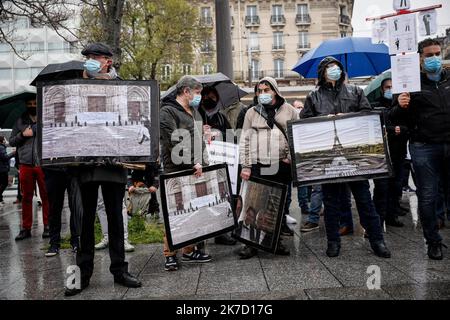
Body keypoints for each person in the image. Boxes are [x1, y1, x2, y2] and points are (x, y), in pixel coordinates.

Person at [65, 42, 142, 296]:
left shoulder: (123, 88)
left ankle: (119, 270)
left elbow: (132, 120)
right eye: (87, 56)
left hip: (114, 163)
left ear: (109, 61)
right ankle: (82, 274)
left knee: (115, 218)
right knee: (85, 220)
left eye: (95, 57)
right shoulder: (74, 88)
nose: (89, 60)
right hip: (85, 164)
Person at [301, 56, 391, 258]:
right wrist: (324, 121)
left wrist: (347, 118)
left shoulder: (356, 91)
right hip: (328, 156)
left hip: (354, 157)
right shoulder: (313, 96)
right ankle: (333, 242)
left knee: (364, 201)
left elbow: (368, 115)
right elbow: (304, 122)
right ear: (322, 72)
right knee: (331, 203)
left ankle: (377, 240)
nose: (334, 70)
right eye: (330, 68)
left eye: (337, 67)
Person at [390, 38, 450, 260]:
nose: (434, 58)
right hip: (424, 147)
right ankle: (433, 241)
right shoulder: (409, 85)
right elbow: (393, 116)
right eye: (429, 55)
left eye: (437, 53)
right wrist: (401, 105)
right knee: (427, 196)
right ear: (420, 59)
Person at [239, 76, 297, 259]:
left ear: (275, 91)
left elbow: (296, 135)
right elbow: (245, 141)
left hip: (280, 165)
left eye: (266, 90)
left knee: (277, 205)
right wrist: (246, 166)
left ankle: (274, 240)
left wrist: (289, 157)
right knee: (254, 203)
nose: (262, 94)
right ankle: (251, 243)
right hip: (257, 164)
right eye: (260, 91)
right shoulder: (251, 112)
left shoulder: (290, 111)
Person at [160, 75, 212, 271]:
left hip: (197, 168)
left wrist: (204, 160)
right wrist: (193, 162)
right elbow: (173, 141)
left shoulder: (195, 112)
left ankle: (188, 250)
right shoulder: (167, 111)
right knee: (173, 211)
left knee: (193, 210)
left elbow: (196, 139)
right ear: (185, 91)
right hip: (177, 169)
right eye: (197, 93)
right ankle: (169, 254)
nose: (199, 97)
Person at [198, 86, 237, 246]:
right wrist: (200, 132)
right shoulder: (196, 115)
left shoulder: (221, 117)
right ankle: (200, 235)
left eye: (212, 96)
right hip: (201, 164)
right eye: (206, 96)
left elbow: (231, 139)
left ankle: (221, 233)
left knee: (221, 197)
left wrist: (218, 136)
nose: (209, 98)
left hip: (219, 163)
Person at [9, 96, 50, 240]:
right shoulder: (20, 120)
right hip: (25, 164)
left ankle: (47, 226)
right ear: (26, 105)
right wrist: (22, 134)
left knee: (46, 195)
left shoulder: (45, 119)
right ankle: (25, 228)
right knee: (26, 197)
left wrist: (37, 131)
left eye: (34, 103)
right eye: (29, 103)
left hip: (42, 163)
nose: (32, 105)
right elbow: (12, 141)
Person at [372, 78, 407, 228]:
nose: (390, 89)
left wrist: (399, 129)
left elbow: (407, 126)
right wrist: (393, 129)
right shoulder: (375, 105)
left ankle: (391, 216)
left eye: (393, 87)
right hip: (381, 155)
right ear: (382, 89)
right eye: (387, 87)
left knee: (395, 186)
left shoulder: (402, 105)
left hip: (398, 152)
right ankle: (377, 220)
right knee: (381, 188)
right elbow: (377, 125)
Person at [0, 136, 15, 206]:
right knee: (4, 183)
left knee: (1, 184)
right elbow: (5, 157)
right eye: (4, 139)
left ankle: (0, 199)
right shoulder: (1, 147)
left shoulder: (2, 147)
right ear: (2, 141)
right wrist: (13, 153)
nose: (5, 140)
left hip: (2, 168)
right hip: (2, 169)